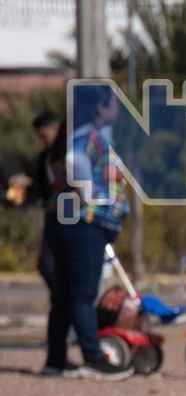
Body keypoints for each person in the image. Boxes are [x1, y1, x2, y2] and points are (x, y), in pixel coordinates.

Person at [41, 88, 132, 380]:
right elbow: (74, 161)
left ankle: (55, 360)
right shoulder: (87, 138)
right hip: (83, 226)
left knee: (66, 296)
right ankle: (93, 358)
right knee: (82, 294)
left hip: (72, 225)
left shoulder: (81, 135)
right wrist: (89, 195)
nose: (119, 109)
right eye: (115, 104)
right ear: (100, 108)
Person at [5, 112, 63, 328]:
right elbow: (40, 189)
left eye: (45, 134)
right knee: (47, 265)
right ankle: (62, 302)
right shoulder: (43, 158)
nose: (43, 139)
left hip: (70, 219)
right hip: (52, 217)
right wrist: (24, 186)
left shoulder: (69, 154)